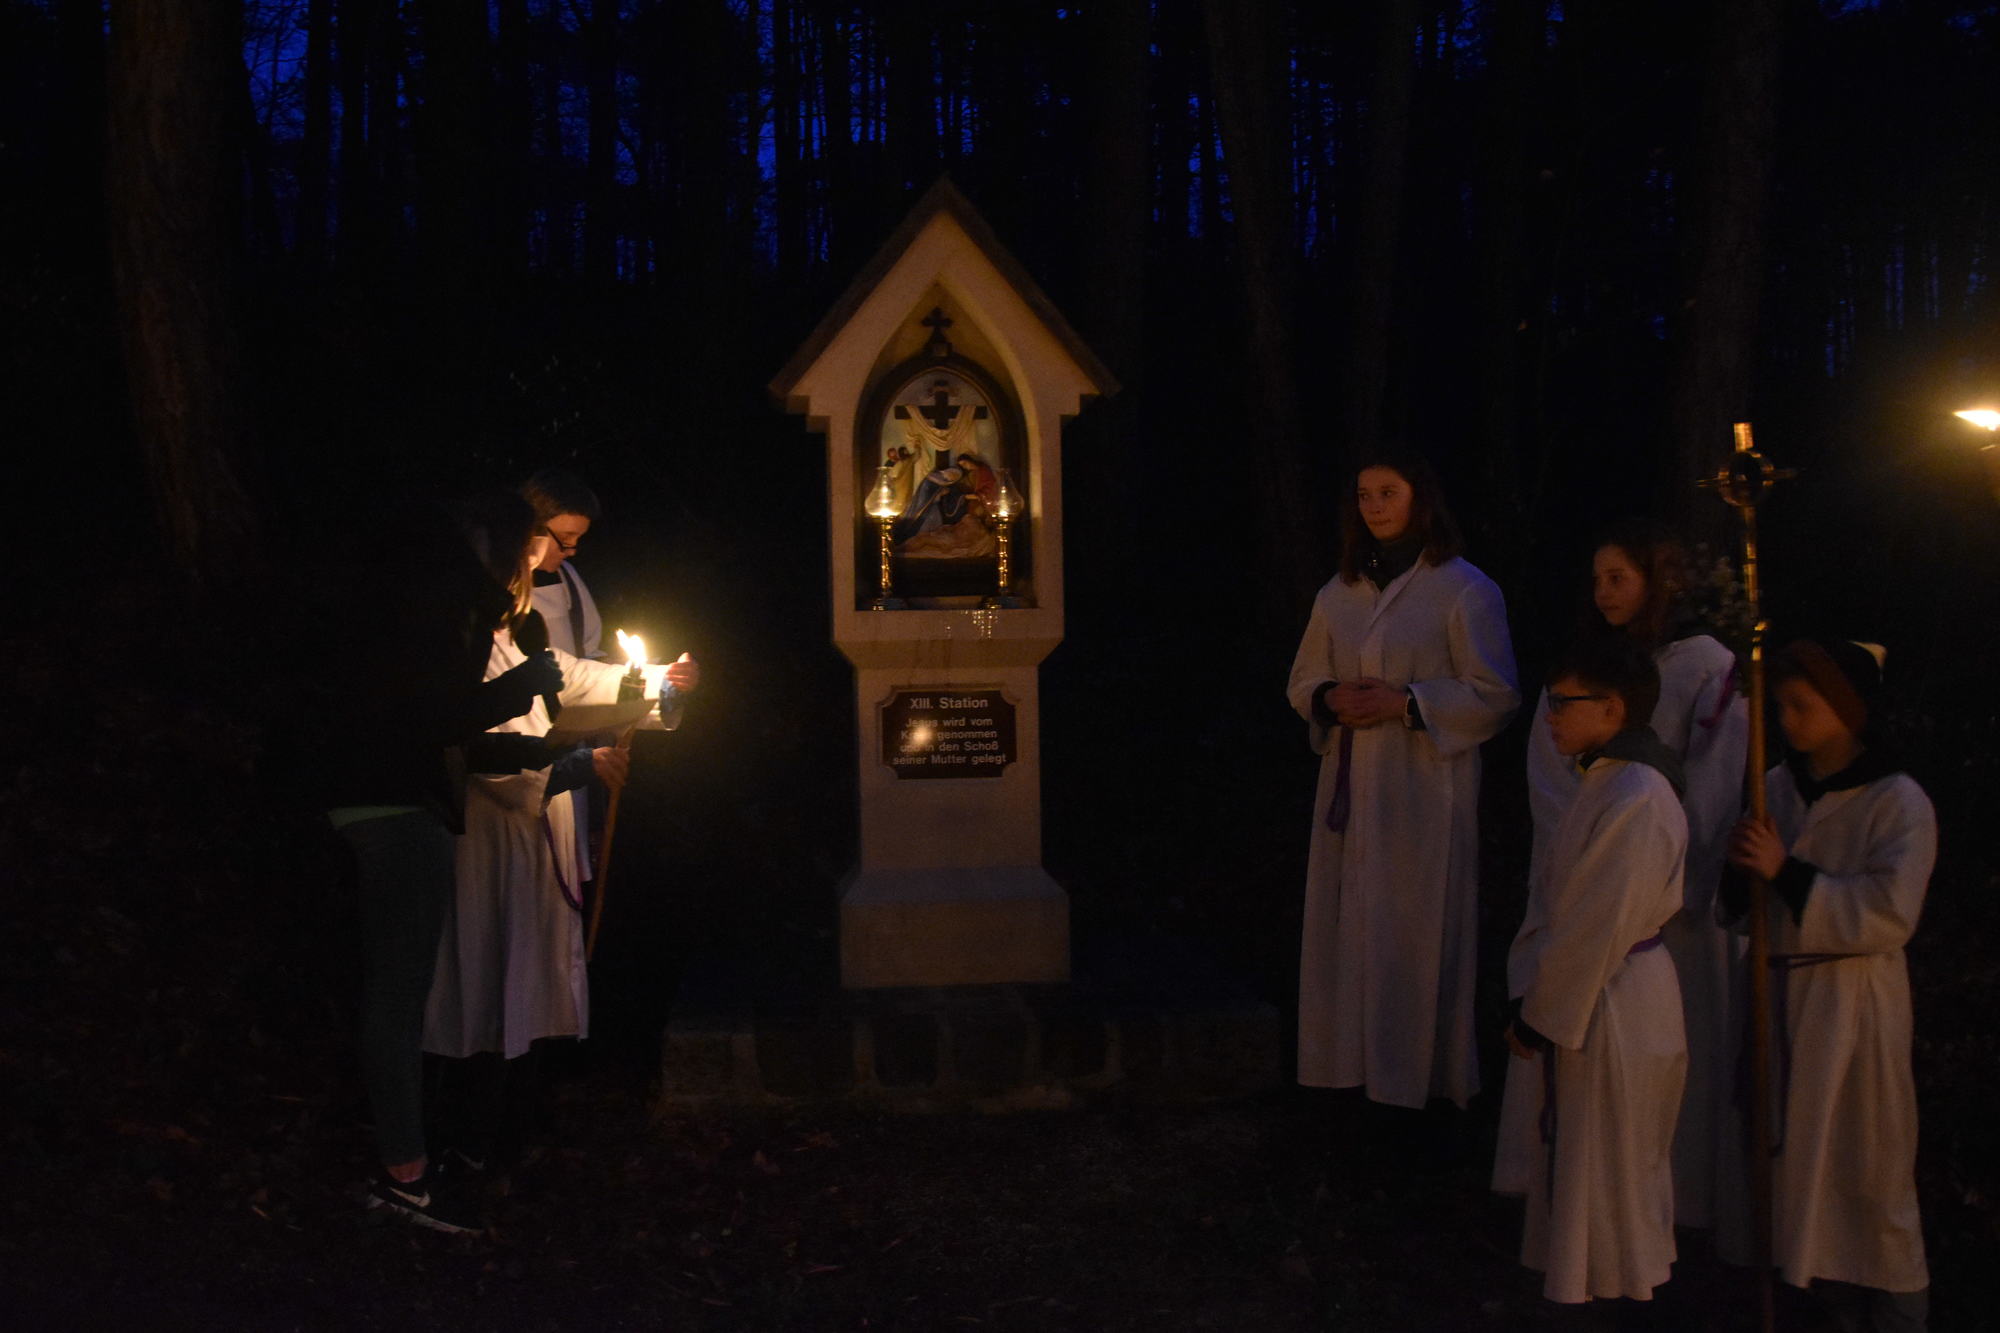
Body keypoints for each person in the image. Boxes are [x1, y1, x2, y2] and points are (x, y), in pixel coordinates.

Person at [296, 492, 566, 1233]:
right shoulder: (454, 603)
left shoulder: (392, 589)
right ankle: (407, 1178)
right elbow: (435, 717)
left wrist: (543, 754)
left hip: (358, 798)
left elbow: (422, 718)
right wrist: (522, 687)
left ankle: (406, 1165)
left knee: (390, 991)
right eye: (530, 555)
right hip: (399, 809)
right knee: (398, 997)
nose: (531, 572)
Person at [1524, 520, 1749, 1231]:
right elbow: (1550, 767)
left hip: (1657, 888)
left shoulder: (1702, 665)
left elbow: (1715, 778)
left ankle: (1675, 1207)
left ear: (1657, 581)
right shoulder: (1591, 666)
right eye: (1596, 579)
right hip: (1591, 865)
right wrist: (1582, 833)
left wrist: (1667, 863)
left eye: (1618, 577)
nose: (1604, 592)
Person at [1286, 452, 1519, 1113]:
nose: (1375, 506)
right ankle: (1347, 1078)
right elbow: (1303, 679)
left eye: (1388, 492)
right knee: (1349, 927)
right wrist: (1329, 697)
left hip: (1423, 792)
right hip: (1351, 786)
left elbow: (1496, 691)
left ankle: (1420, 1088)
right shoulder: (1339, 594)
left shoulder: (1464, 589)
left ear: (1420, 498)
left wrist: (1407, 702)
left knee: (1415, 930)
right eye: (1365, 495)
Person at [421, 608, 686, 1170]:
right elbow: (481, 752)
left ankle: (505, 1137)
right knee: (486, 987)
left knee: (520, 987)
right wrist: (570, 768)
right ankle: (463, 1143)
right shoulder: (462, 651)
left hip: (528, 847)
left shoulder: (515, 643)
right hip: (488, 846)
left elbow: (577, 679)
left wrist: (662, 678)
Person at [1724, 639, 1934, 1332]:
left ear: (1847, 709)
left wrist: (1786, 871)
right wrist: (1741, 876)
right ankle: (1824, 1304)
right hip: (1782, 996)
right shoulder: (1777, 787)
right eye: (1781, 706)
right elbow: (1742, 903)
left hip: (1853, 1006)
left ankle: (1895, 1312)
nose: (1786, 720)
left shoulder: (1897, 799)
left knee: (1867, 1169)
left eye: (1802, 706)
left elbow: (1889, 911)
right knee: (1795, 1169)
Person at [1492, 634, 1689, 1307]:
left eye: (1563, 702)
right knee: (1590, 1163)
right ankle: (1588, 1291)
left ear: (1613, 708)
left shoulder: (1636, 794)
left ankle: (1610, 1302)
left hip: (1615, 999)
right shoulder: (1605, 781)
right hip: (1599, 993)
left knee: (1610, 1166)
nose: (1549, 716)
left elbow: (1595, 924)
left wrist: (1539, 1016)